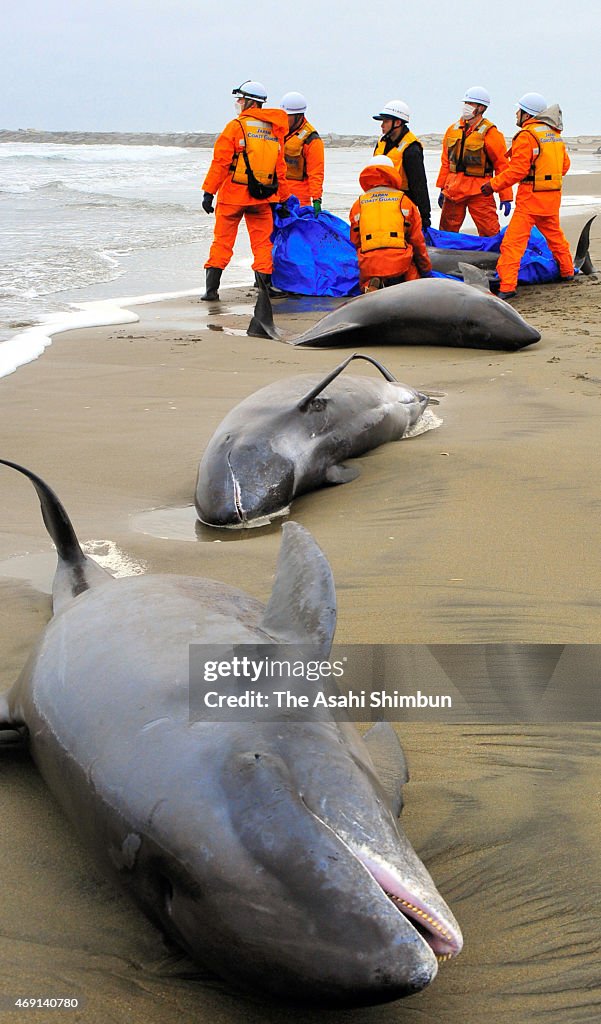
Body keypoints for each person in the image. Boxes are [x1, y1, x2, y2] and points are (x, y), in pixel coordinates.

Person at [200, 80, 290, 300]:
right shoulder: (274, 131)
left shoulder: (236, 126)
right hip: (262, 197)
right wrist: (284, 199)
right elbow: (281, 169)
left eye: (240, 99)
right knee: (262, 244)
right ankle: (265, 288)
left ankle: (211, 291)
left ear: (249, 102)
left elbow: (221, 162)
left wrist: (208, 192)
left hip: (232, 196)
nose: (238, 103)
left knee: (222, 242)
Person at [481, 93, 574, 299]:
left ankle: (507, 287)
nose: (516, 113)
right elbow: (564, 166)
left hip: (530, 199)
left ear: (526, 114)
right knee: (555, 238)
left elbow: (517, 171)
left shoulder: (527, 136)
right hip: (551, 198)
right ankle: (567, 272)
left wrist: (493, 185)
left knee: (513, 244)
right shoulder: (553, 134)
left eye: (519, 110)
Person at [436, 86, 512, 236]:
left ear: (481, 108)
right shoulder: (452, 130)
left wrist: (506, 196)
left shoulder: (491, 134)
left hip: (480, 191)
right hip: (453, 191)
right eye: (466, 102)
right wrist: (441, 188)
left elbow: (502, 166)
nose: (466, 107)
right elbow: (446, 162)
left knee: (490, 232)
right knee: (446, 233)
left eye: (471, 103)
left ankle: (495, 258)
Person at [349, 156, 432, 292]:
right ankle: (405, 284)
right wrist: (426, 270)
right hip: (400, 262)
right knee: (413, 281)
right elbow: (417, 241)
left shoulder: (358, 204)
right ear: (392, 174)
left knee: (368, 271)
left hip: (370, 264)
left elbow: (356, 241)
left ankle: (372, 284)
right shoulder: (404, 202)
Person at [372, 100, 431, 230]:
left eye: (386, 121)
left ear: (397, 122)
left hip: (401, 203)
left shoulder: (411, 149)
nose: (382, 125)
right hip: (378, 200)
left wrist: (425, 216)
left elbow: (419, 184)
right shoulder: (381, 142)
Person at [281, 92, 324, 214]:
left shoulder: (311, 138)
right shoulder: (279, 131)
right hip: (278, 196)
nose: (284, 119)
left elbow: (316, 172)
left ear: (298, 116)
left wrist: (316, 199)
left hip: (299, 201)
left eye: (288, 116)